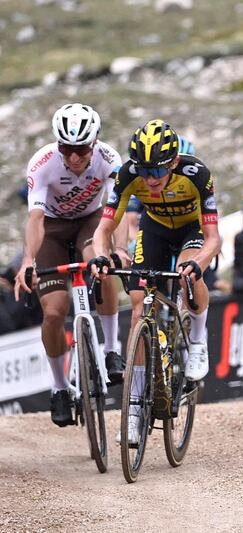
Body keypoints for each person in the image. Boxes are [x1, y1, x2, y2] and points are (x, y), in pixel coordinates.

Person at [90, 119, 221, 444]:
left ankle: (198, 344)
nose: (150, 180)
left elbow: (214, 239)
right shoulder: (128, 176)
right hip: (156, 231)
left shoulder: (197, 174)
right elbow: (104, 229)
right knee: (138, 312)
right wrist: (102, 256)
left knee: (190, 273)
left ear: (174, 162)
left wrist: (198, 265)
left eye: (158, 172)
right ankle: (134, 409)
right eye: (144, 171)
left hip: (193, 230)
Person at [13, 103, 129, 428]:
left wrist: (118, 248)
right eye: (67, 148)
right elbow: (35, 220)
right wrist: (26, 262)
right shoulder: (43, 163)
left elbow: (115, 212)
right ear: (57, 145)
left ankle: (111, 350)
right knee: (53, 312)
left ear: (94, 143)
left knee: (100, 264)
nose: (74, 158)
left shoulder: (109, 160)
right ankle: (60, 387)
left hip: (90, 222)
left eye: (80, 149)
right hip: (51, 228)